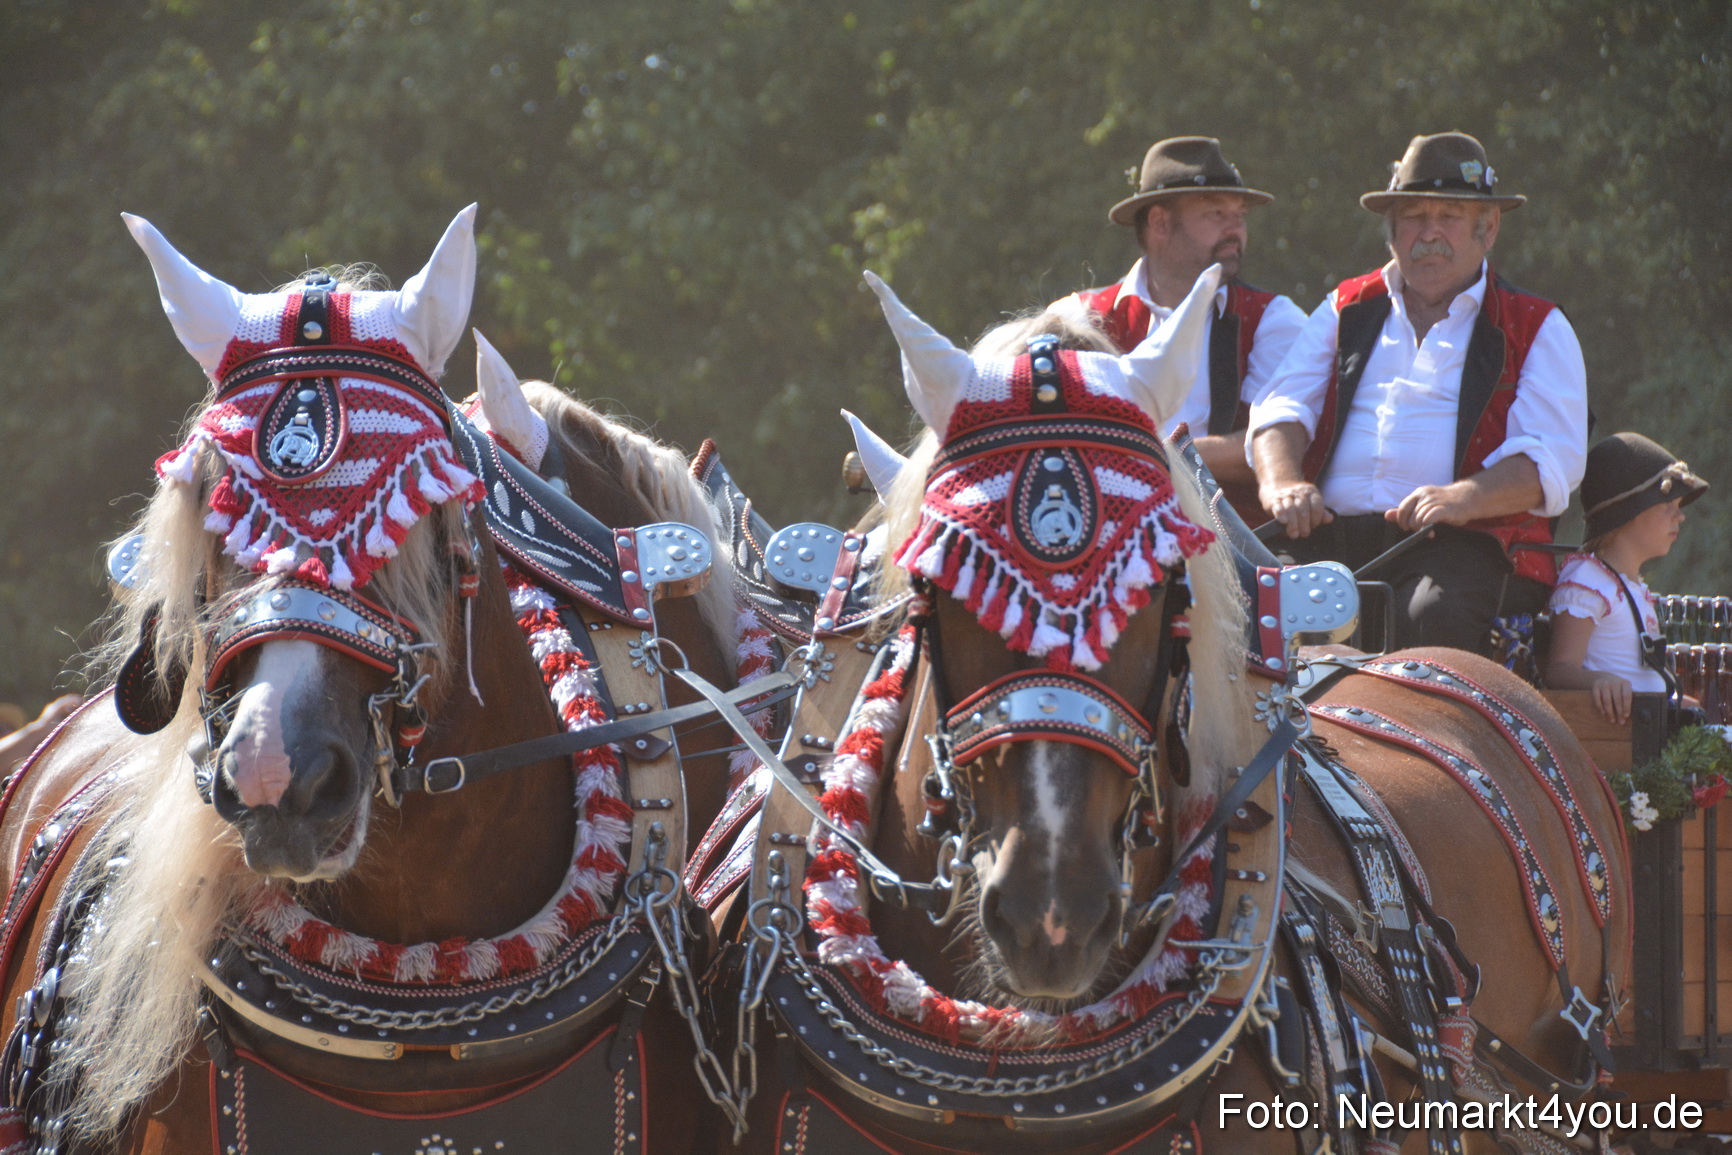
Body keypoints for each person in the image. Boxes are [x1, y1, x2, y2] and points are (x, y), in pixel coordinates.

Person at [1247, 131, 1589, 655]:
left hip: (1459, 546)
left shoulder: (1537, 325)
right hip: (1325, 539)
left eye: (1448, 217)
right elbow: (1281, 407)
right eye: (1412, 218)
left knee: (1429, 627)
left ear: (1488, 228)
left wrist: (1462, 498)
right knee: (1249, 618)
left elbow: (1550, 460)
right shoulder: (1346, 305)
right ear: (1391, 232)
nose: (1428, 236)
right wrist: (1283, 484)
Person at [1057, 136, 1305, 520]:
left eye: (1239, 216)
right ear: (1159, 223)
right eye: (1215, 214)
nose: (1235, 230)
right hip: (1101, 533)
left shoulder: (1273, 319)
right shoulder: (1076, 319)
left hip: (1227, 545)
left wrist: (1143, 452)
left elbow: (1278, 442)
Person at [1546, 434, 1706, 722]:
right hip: (1619, 744)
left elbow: (1641, 676)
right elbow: (1559, 669)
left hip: (1647, 732)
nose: (1679, 516)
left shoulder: (1631, 585)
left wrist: (1677, 702)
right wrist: (1599, 680)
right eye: (1667, 503)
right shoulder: (1588, 580)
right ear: (1628, 511)